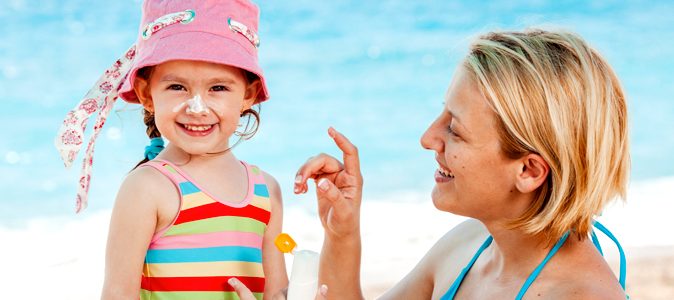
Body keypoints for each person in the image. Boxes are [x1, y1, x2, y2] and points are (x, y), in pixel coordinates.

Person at [291, 28, 630, 299]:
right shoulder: (472, 245)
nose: (427, 138)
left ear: (528, 171)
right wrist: (342, 232)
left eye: (454, 129)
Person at [55, 0, 289, 299]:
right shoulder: (147, 187)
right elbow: (118, 293)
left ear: (249, 94)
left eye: (218, 88)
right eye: (177, 87)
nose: (197, 108)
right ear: (145, 93)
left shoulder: (267, 191)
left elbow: (277, 293)